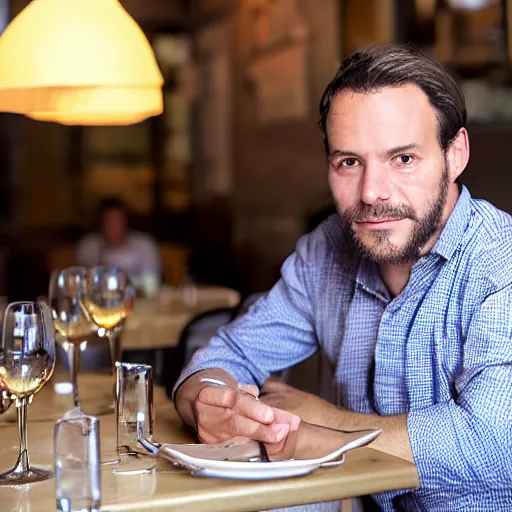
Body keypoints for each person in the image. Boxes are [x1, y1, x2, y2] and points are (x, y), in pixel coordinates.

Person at [173, 44, 512, 511]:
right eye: (349, 162)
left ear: (456, 155)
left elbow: (494, 442)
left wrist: (326, 428)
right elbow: (225, 354)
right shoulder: (325, 251)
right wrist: (210, 404)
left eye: (403, 159)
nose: (372, 192)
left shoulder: (501, 262)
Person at [76, 197, 161, 292]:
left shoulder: (145, 245)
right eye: (108, 221)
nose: (113, 226)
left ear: (126, 221)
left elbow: (151, 285)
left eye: (117, 220)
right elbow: (81, 284)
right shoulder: (88, 247)